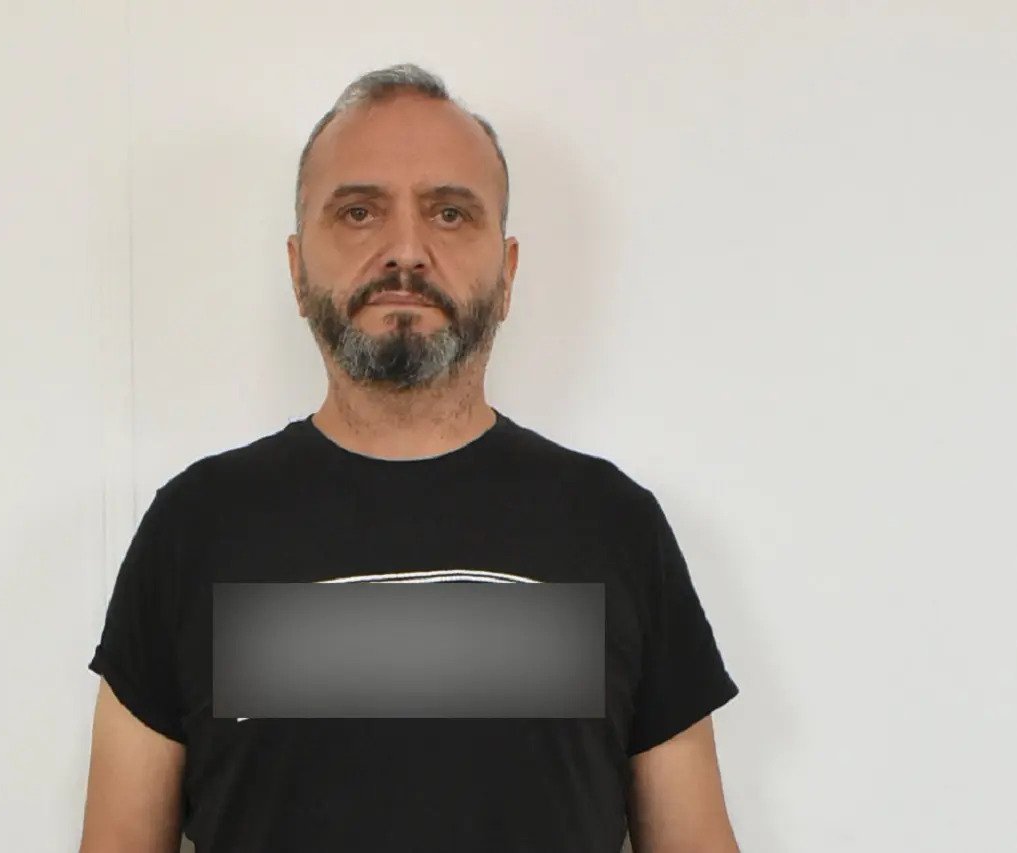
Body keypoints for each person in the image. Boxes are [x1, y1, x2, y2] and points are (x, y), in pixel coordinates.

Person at [78, 62, 741, 853]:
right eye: (358, 212)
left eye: (450, 213)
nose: (405, 250)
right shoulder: (196, 526)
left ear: (508, 272)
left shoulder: (612, 525)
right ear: (296, 269)